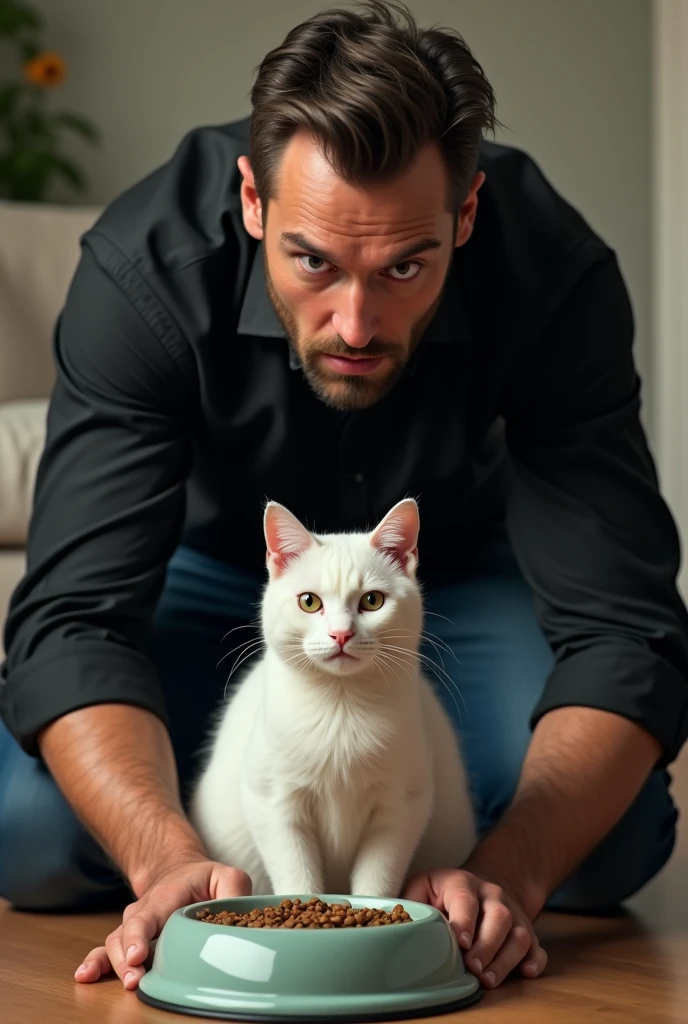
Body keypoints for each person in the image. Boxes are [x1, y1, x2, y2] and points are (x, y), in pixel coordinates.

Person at [1, 0, 687, 996]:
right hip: (206, 565)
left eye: (404, 266)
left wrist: (506, 876)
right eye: (313, 262)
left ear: (465, 214)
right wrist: (164, 856)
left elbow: (627, 629)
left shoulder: (552, 273)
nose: (355, 322)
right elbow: (73, 614)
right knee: (32, 833)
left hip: (456, 571)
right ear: (252, 201)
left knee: (606, 840)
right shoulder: (144, 266)